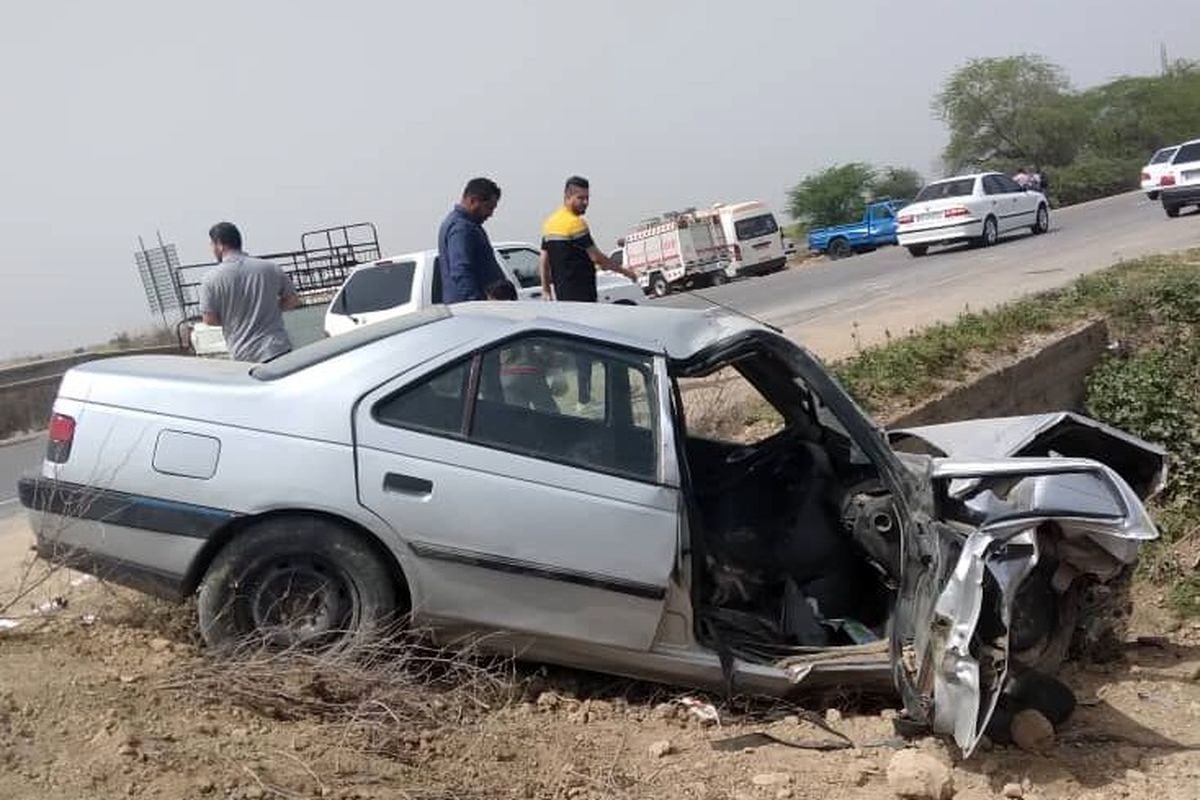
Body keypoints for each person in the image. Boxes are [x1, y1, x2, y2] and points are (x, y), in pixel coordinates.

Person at [200, 222, 298, 363]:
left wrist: (232, 318)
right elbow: (292, 300)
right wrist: (270, 309)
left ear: (220, 245)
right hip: (276, 348)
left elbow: (209, 319)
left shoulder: (210, 279)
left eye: (212, 245)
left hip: (243, 355)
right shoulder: (270, 268)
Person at [538, 175, 638, 303]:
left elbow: (543, 260)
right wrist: (626, 272)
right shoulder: (576, 223)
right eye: (580, 198)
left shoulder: (549, 224)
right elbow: (597, 258)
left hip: (563, 298)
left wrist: (546, 290)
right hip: (583, 296)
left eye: (587, 198)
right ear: (567, 197)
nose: (585, 202)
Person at [437, 178, 505, 303]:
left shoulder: (465, 224)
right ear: (473, 200)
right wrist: (477, 303)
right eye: (489, 207)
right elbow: (460, 270)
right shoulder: (461, 228)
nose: (491, 214)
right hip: (472, 310)